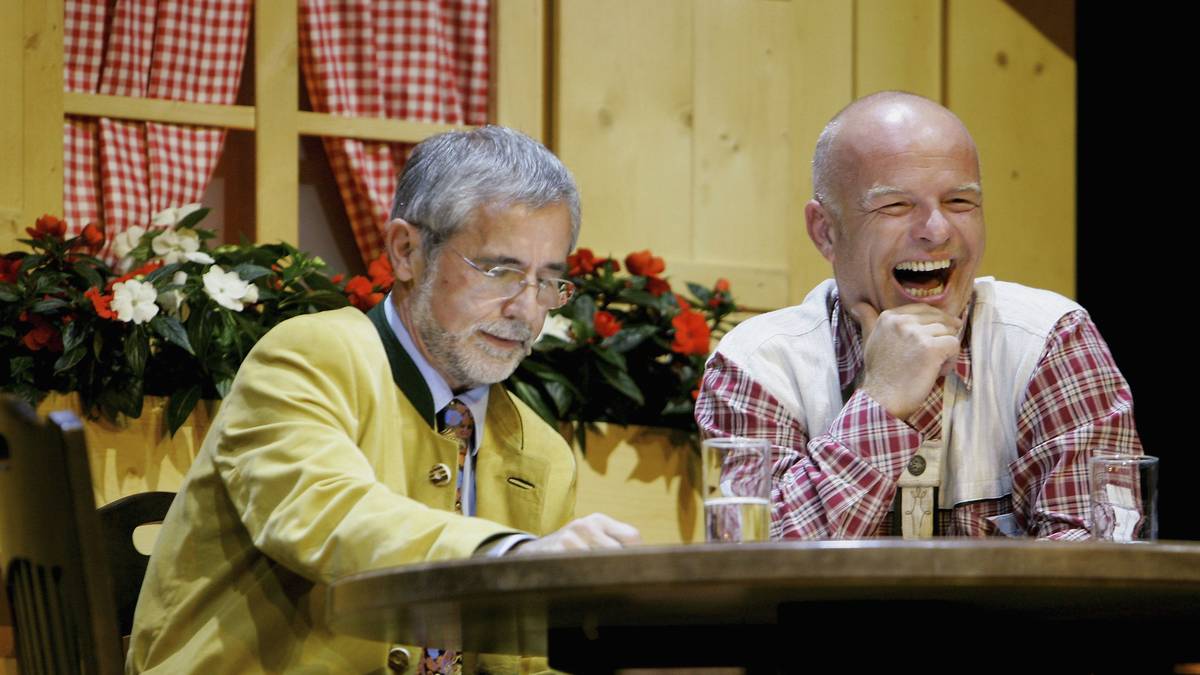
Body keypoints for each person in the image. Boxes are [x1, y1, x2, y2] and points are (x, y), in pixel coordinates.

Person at [126, 126, 641, 673]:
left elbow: (528, 660)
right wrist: (508, 556)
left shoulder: (541, 453)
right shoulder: (310, 355)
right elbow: (323, 515)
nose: (527, 309)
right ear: (406, 251)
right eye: (500, 271)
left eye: (547, 282)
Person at [695, 91, 1141, 540]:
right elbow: (750, 561)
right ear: (826, 231)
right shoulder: (757, 364)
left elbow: (1100, 565)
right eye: (896, 206)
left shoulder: (1050, 341)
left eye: (960, 203)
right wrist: (882, 400)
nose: (937, 230)